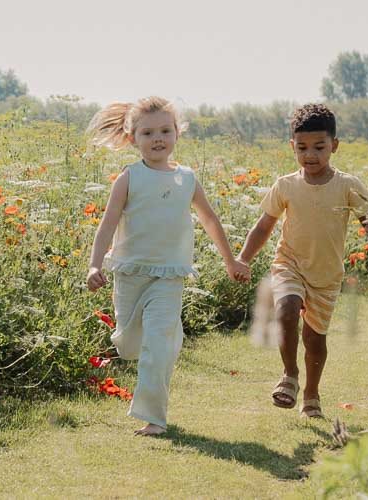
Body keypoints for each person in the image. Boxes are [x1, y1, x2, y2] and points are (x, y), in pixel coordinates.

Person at [86, 96, 250, 436]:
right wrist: (94, 265)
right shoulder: (128, 178)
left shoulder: (187, 179)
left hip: (169, 275)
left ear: (177, 133)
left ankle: (154, 418)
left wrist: (230, 260)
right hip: (131, 273)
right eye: (147, 133)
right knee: (129, 345)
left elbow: (210, 219)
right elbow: (107, 224)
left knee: (157, 342)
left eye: (165, 130)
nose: (157, 138)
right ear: (133, 138)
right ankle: (164, 339)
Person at [237, 103, 368, 418]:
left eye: (319, 147)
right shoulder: (286, 185)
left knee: (315, 338)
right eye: (302, 148)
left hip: (327, 274)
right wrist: (243, 259)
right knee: (286, 309)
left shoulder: (347, 184)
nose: (310, 155)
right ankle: (289, 376)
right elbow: (264, 226)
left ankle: (311, 394)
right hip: (290, 263)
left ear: (334, 146)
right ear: (292, 147)